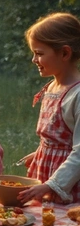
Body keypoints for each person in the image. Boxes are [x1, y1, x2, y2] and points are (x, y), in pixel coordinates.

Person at [17, 13, 80, 204]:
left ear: (64, 53)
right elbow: (57, 139)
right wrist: (41, 153)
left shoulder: (77, 95)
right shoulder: (52, 87)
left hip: (66, 183)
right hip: (45, 173)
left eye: (39, 53)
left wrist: (52, 185)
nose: (34, 59)